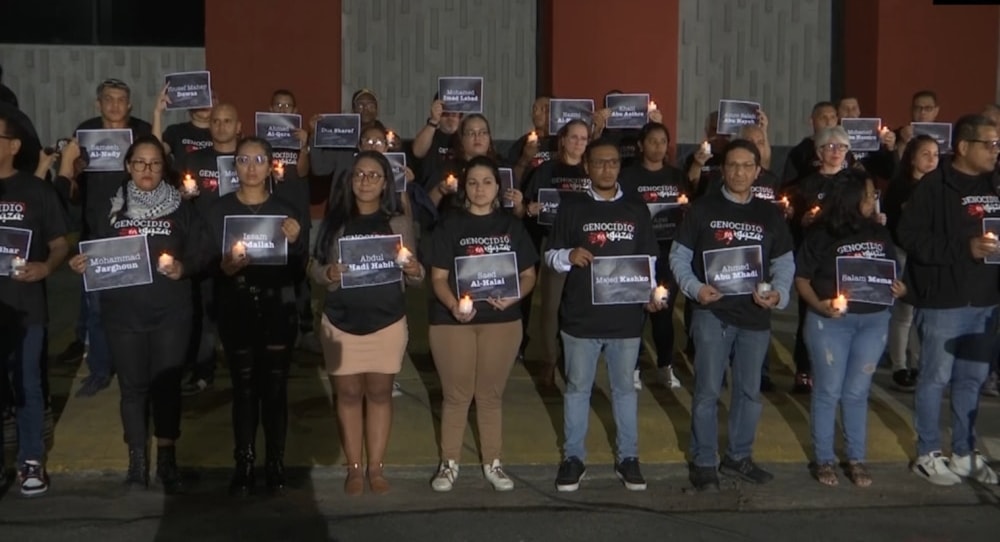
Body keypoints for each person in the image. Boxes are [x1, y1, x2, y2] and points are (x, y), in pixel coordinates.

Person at [67, 136, 207, 493]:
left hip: (171, 313)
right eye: (140, 163)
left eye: (155, 163)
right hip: (122, 315)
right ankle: (137, 464)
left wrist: (184, 267)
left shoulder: (182, 208)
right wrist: (82, 262)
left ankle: (167, 461)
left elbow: (204, 251)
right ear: (129, 166)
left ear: (164, 168)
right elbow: (93, 249)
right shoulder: (109, 208)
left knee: (167, 387)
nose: (147, 169)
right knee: (132, 388)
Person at [670, 139, 794, 492]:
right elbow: (679, 257)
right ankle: (704, 461)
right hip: (713, 312)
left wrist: (779, 294)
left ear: (758, 171)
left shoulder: (770, 214)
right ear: (723, 170)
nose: (739, 172)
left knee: (749, 393)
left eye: (747, 166)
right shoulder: (701, 209)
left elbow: (783, 262)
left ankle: (739, 457)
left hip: (755, 316)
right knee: (708, 391)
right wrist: (695, 289)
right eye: (733, 165)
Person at [546, 139, 660, 493]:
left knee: (624, 389)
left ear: (619, 167)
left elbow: (649, 259)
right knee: (578, 388)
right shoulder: (572, 208)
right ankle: (573, 457)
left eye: (612, 162)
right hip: (581, 318)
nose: (607, 169)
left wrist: (651, 293)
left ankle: (628, 457)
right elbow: (549, 255)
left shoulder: (636, 209)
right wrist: (569, 255)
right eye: (599, 163)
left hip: (625, 320)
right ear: (587, 168)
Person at [310, 151, 423, 496]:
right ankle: (354, 466)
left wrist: (415, 271)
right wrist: (325, 273)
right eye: (359, 174)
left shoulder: (399, 224)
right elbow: (312, 267)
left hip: (386, 322)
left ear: (386, 183)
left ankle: (375, 466)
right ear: (350, 180)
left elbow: (415, 277)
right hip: (341, 322)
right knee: (346, 394)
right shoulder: (333, 223)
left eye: (374, 175)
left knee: (378, 394)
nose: (365, 181)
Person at [897, 114, 1000, 486]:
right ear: (962, 147)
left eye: (998, 144)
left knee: (971, 380)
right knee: (935, 378)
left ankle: (963, 451)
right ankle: (927, 452)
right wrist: (963, 247)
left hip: (986, 299)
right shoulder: (933, 186)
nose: (995, 151)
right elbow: (909, 236)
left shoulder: (995, 183)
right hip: (943, 299)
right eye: (988, 144)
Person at [428, 156, 537, 492]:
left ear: (498, 187)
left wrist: (514, 295)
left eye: (487, 182)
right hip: (452, 322)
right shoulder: (449, 225)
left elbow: (529, 275)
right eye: (473, 182)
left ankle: (493, 462)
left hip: (502, 321)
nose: (479, 189)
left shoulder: (512, 227)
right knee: (457, 395)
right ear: (464, 187)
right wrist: (452, 306)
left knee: (490, 395)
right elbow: (438, 277)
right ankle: (449, 463)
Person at [205, 136, 306, 496]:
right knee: (244, 389)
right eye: (244, 160)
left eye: (258, 159)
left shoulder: (287, 210)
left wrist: (295, 243)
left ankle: (275, 462)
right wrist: (224, 267)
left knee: (276, 391)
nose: (251, 167)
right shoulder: (218, 212)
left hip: (278, 309)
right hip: (237, 310)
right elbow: (205, 264)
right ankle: (244, 463)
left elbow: (301, 270)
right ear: (235, 167)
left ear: (269, 165)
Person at [795, 171, 906, 487]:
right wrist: (819, 306)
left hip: (873, 322)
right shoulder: (820, 235)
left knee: (857, 392)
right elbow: (801, 279)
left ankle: (856, 457)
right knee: (828, 391)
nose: (873, 200)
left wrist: (898, 288)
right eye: (870, 194)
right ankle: (824, 459)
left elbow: (891, 274)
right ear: (853, 198)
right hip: (831, 323)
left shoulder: (881, 234)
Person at [59, 78, 153, 397]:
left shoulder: (141, 131)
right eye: (108, 99)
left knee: (137, 308)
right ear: (98, 103)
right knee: (98, 310)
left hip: (135, 231)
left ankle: (139, 369)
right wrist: (75, 167)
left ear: (130, 104)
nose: (115, 105)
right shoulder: (84, 132)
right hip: (95, 234)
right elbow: (71, 186)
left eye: (121, 99)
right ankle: (100, 369)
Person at [0, 109, 70, 497]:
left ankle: (30, 459)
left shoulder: (37, 191)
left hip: (26, 308)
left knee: (27, 384)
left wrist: (45, 266)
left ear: (13, 145)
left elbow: (60, 244)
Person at [174, 103, 242, 395]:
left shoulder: (249, 158)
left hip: (242, 249)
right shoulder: (194, 160)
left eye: (228, 120)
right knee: (203, 315)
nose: (222, 126)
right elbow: (179, 205)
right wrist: (183, 196)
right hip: (204, 249)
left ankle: (243, 370)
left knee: (240, 314)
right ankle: (203, 372)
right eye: (216, 121)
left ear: (238, 126)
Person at [619, 122, 690, 389]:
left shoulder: (675, 176)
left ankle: (665, 365)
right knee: (636, 310)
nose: (658, 147)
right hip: (636, 251)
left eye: (663, 141)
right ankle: (633, 367)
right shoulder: (628, 177)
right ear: (641, 145)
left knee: (664, 309)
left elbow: (687, 204)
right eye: (652, 141)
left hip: (668, 250)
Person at [522, 119, 591, 383]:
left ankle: (574, 360)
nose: (577, 143)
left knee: (577, 306)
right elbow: (528, 205)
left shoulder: (590, 172)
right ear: (562, 139)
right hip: (553, 244)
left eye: (583, 138)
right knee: (551, 307)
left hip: (585, 246)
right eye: (573, 137)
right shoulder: (546, 170)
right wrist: (531, 209)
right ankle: (549, 360)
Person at [882, 135, 940, 392]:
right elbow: (893, 223)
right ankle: (900, 365)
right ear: (912, 157)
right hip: (904, 253)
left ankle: (919, 364)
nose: (931, 160)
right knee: (904, 312)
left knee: (923, 312)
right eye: (925, 154)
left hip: (929, 255)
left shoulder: (940, 187)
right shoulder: (901, 186)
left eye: (935, 155)